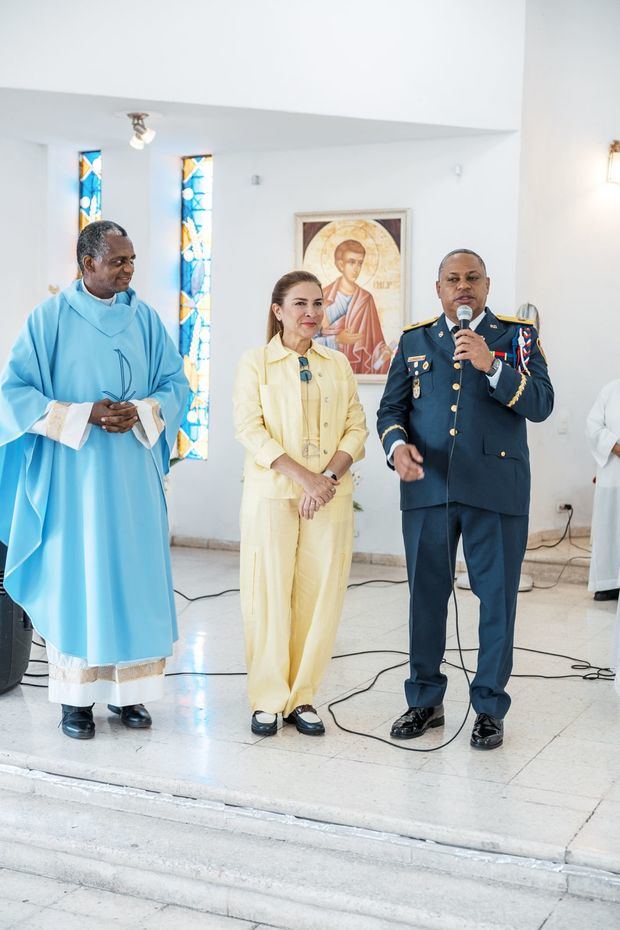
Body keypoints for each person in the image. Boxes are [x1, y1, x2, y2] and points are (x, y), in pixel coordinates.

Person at [0, 221, 188, 739]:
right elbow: (13, 393)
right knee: (79, 580)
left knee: (134, 579)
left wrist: (146, 409)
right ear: (87, 264)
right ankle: (76, 702)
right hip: (75, 480)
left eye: (131, 261)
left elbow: (177, 385)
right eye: (118, 261)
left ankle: (130, 697)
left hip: (133, 474)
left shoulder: (144, 318)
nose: (129, 270)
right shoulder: (50, 319)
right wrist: (83, 414)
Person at [377, 249, 554, 750]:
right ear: (438, 288)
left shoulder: (517, 338)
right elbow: (391, 408)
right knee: (425, 598)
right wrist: (397, 447)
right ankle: (424, 701)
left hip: (496, 491)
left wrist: (491, 363)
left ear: (487, 285)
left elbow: (541, 404)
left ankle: (490, 708)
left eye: (472, 278)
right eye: (452, 279)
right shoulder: (415, 339)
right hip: (429, 488)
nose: (463, 286)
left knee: (496, 601)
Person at [233, 270, 368, 736]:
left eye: (317, 304)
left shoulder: (338, 365)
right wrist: (304, 479)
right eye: (300, 304)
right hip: (273, 496)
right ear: (278, 311)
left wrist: (326, 479)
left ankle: (303, 697)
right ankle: (268, 698)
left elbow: (356, 427)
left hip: (329, 496)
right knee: (268, 593)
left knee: (319, 594)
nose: (311, 313)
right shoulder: (256, 363)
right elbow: (250, 430)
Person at [318, 239, 391, 375]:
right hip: (326, 369)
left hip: (356, 369)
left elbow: (375, 343)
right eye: (351, 262)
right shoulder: (322, 298)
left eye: (360, 263)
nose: (356, 268)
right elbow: (307, 343)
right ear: (340, 265)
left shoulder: (366, 299)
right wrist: (337, 340)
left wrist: (382, 353)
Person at [586, 380, 620, 601]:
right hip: (612, 472)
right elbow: (593, 427)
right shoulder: (610, 390)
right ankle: (609, 583)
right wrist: (616, 447)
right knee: (609, 527)